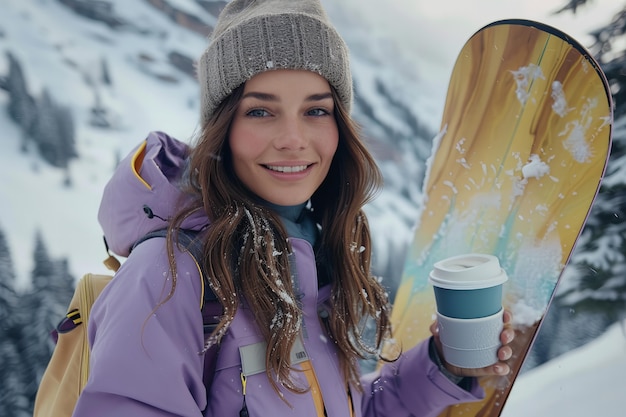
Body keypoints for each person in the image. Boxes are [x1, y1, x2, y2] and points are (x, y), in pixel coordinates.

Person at [73, 0, 515, 416]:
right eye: (260, 112)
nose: (293, 138)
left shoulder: (307, 259)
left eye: (316, 111)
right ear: (222, 128)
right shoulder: (169, 275)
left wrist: (442, 365)